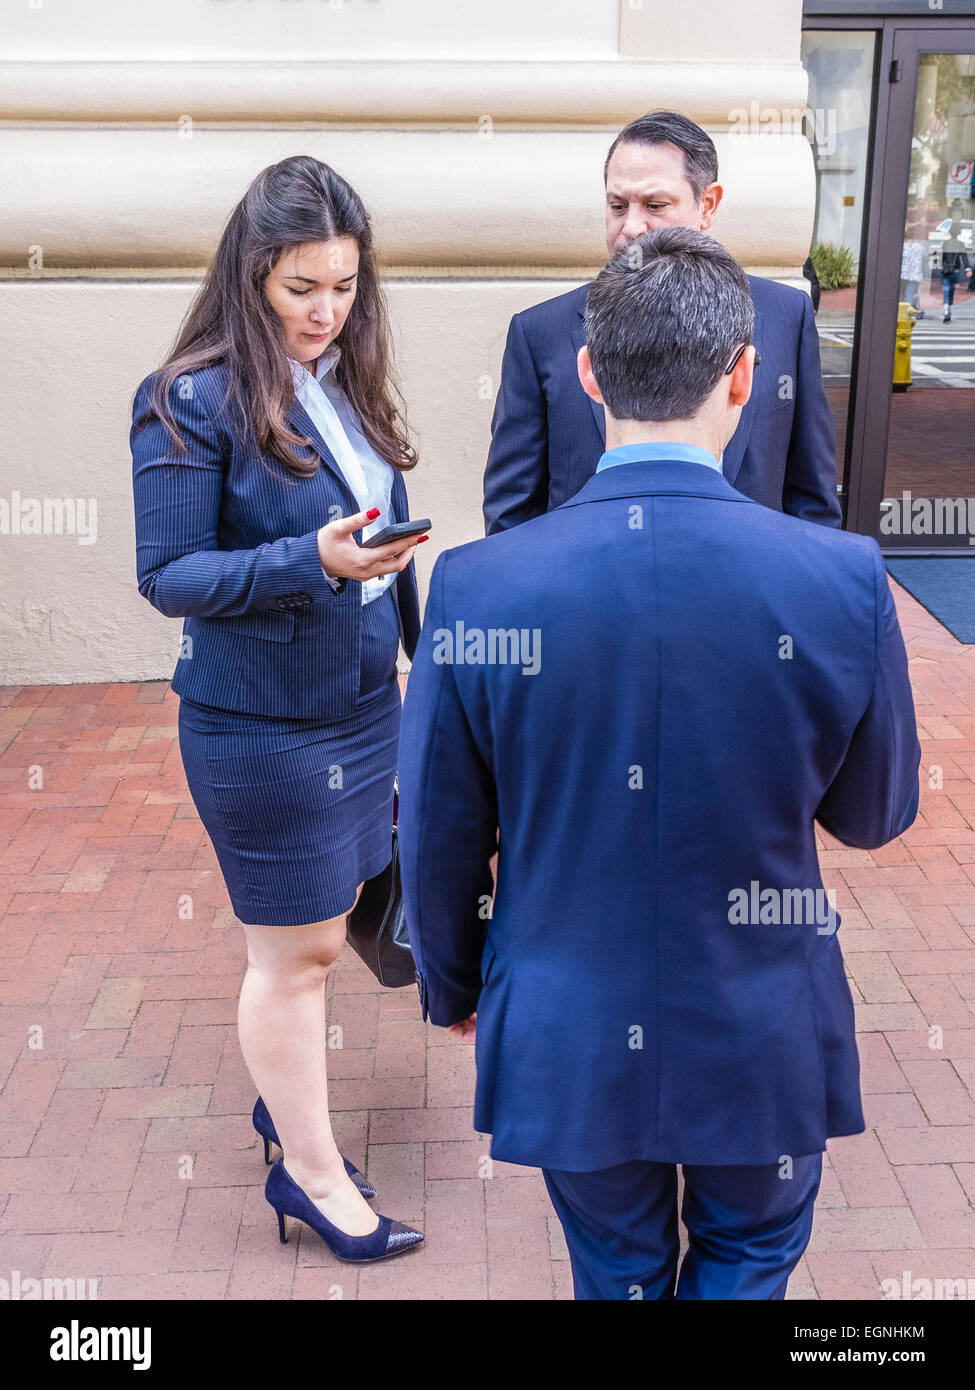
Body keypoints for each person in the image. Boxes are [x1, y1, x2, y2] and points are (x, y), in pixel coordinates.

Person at [399, 226, 920, 1300]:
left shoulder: (480, 586)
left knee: (621, 1271)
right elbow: (874, 814)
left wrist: (454, 982)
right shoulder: (841, 578)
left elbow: (438, 828)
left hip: (568, 1020)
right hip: (763, 1022)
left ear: (589, 374)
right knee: (750, 1261)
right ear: (744, 375)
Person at [131, 155, 424, 1263]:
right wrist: (315, 559)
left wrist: (409, 639)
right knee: (293, 951)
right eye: (304, 286)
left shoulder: (341, 374)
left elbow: (371, 527)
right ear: (253, 274)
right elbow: (170, 577)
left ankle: (283, 1105)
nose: (327, 308)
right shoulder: (185, 399)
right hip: (259, 730)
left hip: (360, 706)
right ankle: (310, 1175)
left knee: (336, 910)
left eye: (345, 285)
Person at [483, 110, 841, 534]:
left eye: (655, 205)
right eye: (618, 206)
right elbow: (511, 519)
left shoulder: (786, 315)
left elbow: (812, 500)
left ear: (707, 204)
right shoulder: (538, 332)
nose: (631, 227)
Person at [940, 220, 972, 323]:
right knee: (951, 291)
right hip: (955, 271)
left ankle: (945, 309)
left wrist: (942, 266)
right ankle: (949, 308)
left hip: (945, 271)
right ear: (958, 233)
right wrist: (968, 268)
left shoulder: (945, 243)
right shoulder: (960, 244)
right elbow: (964, 257)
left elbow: (942, 257)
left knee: (945, 290)